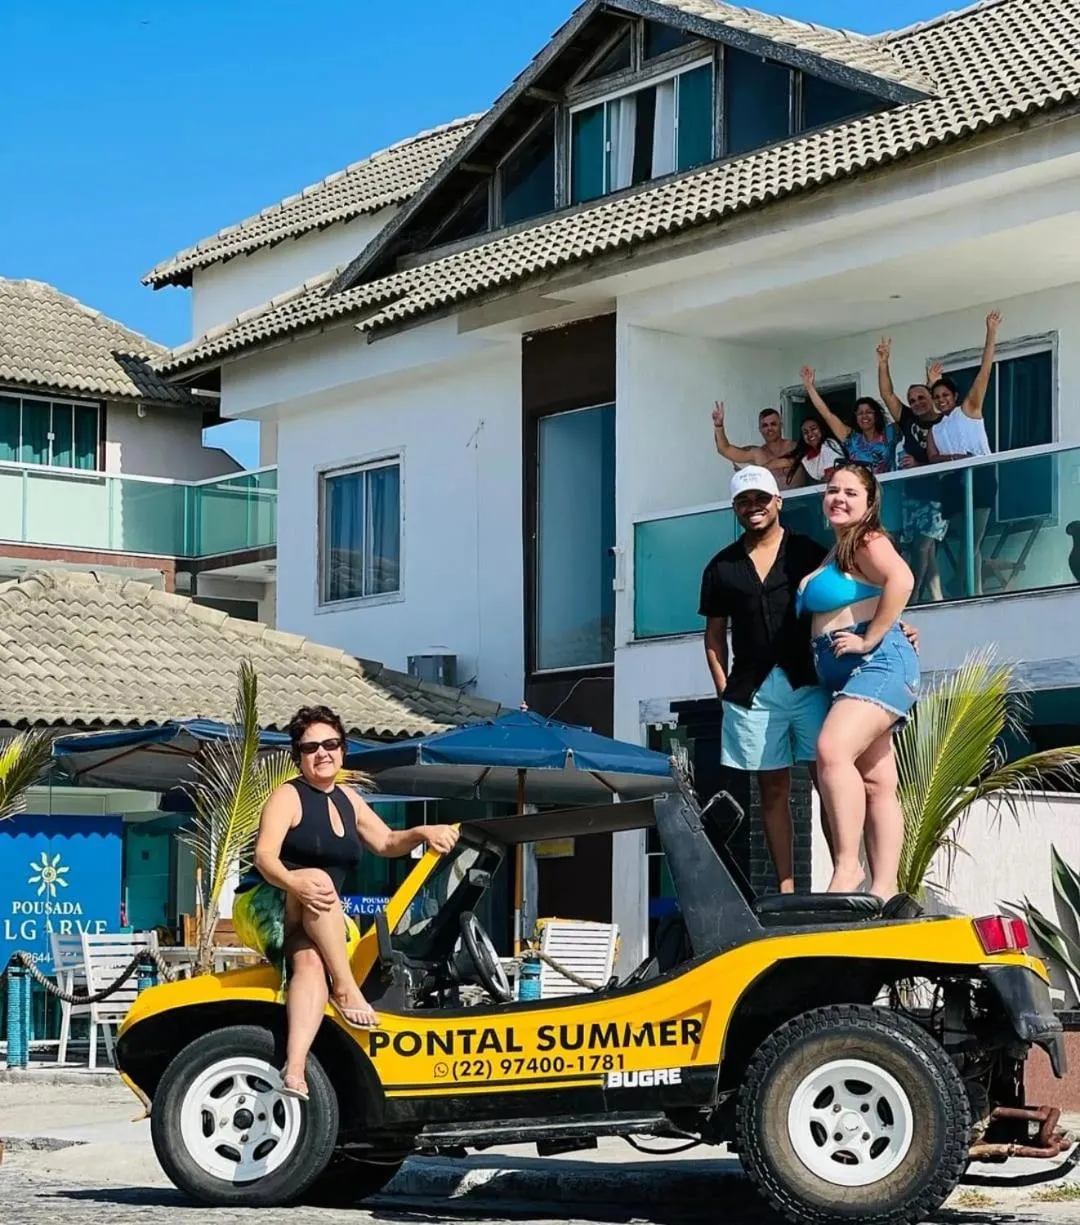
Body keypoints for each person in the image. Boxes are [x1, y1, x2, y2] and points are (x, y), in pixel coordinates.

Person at [232, 705, 459, 1100]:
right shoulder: (288, 796)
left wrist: (424, 830)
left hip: (320, 911)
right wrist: (293, 882)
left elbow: (387, 842)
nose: (322, 753)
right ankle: (346, 988)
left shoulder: (349, 799)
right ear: (298, 756)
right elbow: (264, 857)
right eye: (310, 747)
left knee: (308, 963)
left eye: (331, 744)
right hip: (269, 899)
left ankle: (295, 1069)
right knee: (317, 880)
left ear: (343, 749)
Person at [796, 463, 919, 904]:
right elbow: (871, 593)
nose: (839, 498)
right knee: (876, 782)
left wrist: (873, 635)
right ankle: (884, 891)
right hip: (849, 672)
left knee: (831, 750)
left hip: (878, 666)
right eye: (832, 490)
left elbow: (901, 579)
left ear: (869, 503)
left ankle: (848, 868)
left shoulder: (867, 538)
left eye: (851, 492)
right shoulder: (840, 549)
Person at [927, 310, 1002, 596]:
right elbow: (933, 458)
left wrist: (991, 333)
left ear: (954, 397)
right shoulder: (936, 429)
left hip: (980, 476)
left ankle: (964, 590)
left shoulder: (968, 410)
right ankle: (973, 591)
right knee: (968, 543)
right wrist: (955, 460)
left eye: (945, 395)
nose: (941, 400)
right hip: (952, 482)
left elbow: (985, 371)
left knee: (973, 541)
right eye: (937, 397)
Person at [876, 338, 946, 601]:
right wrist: (883, 362)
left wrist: (920, 465)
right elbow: (886, 395)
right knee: (925, 550)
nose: (916, 402)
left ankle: (912, 597)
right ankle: (937, 597)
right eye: (912, 399)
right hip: (912, 494)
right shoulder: (907, 419)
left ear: (932, 397)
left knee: (921, 546)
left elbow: (950, 458)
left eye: (921, 397)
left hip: (938, 495)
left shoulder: (945, 422)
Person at [799, 368, 898, 474]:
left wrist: (883, 363)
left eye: (869, 412)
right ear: (856, 417)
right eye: (860, 413)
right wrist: (810, 388)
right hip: (861, 489)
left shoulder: (890, 432)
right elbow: (828, 415)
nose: (864, 416)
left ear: (876, 415)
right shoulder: (852, 439)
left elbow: (891, 399)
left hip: (890, 488)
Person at [712, 401, 800, 481]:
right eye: (765, 425)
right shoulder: (757, 453)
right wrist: (718, 426)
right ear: (760, 429)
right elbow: (724, 449)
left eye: (773, 424)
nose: (769, 428)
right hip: (769, 498)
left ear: (781, 425)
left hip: (803, 497)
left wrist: (761, 469)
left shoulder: (795, 447)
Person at [784, 416, 846, 487]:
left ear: (821, 429)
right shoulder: (806, 455)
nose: (810, 434)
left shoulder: (829, 444)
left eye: (813, 429)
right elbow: (787, 461)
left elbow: (830, 476)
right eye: (805, 432)